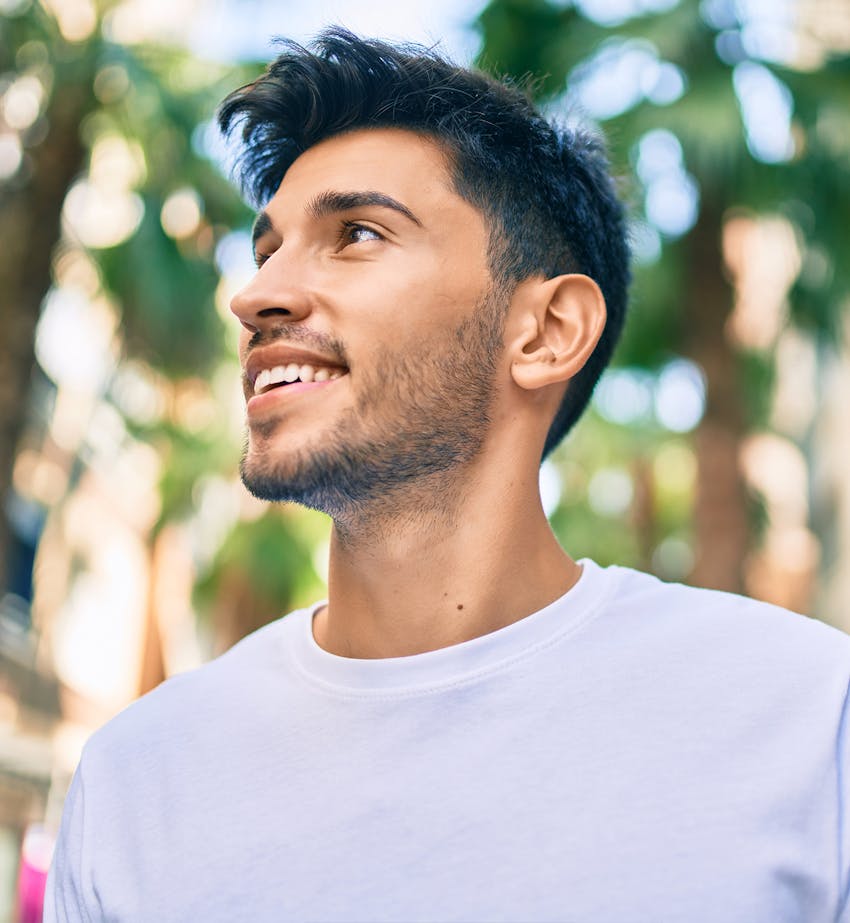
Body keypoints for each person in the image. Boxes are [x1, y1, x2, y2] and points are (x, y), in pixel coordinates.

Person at [46, 28, 850, 923]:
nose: (255, 294)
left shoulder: (809, 720)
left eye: (355, 233)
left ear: (545, 332)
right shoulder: (137, 782)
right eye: (267, 248)